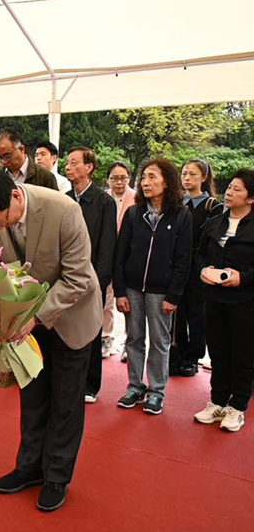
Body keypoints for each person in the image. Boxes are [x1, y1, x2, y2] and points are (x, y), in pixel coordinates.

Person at [0, 169, 101, 512]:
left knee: (65, 401)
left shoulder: (63, 210)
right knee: (32, 395)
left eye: (2, 221)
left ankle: (56, 476)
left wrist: (36, 317)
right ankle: (29, 467)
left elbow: (78, 277)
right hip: (24, 319)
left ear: (15, 196)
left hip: (71, 315)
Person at [114, 158, 191, 415]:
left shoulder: (181, 215)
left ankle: (156, 391)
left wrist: (174, 295)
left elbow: (183, 260)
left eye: (152, 177)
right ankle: (135, 386)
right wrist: (120, 290)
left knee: (160, 341)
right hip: (132, 288)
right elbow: (120, 254)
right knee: (134, 338)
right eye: (144, 177)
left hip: (162, 292)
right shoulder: (134, 213)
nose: (145, 182)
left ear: (167, 182)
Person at [194, 169, 254, 432]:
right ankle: (217, 401)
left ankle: (237, 407)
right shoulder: (215, 221)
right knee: (217, 351)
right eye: (229, 187)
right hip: (214, 298)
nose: (229, 192)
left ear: (251, 198)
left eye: (237, 189)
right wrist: (203, 270)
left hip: (245, 301)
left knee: (243, 354)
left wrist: (243, 278)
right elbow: (199, 253)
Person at [64, 147, 117, 403]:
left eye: (74, 163)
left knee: (91, 332)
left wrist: (99, 281)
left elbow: (107, 246)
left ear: (89, 167)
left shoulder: (104, 202)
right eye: (67, 163)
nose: (68, 167)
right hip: (65, 277)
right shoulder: (64, 199)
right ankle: (68, 381)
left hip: (93, 279)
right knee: (65, 330)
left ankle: (90, 384)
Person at [172, 159, 223, 377]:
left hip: (198, 266)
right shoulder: (176, 203)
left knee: (196, 313)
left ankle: (192, 357)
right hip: (176, 265)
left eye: (193, 174)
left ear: (204, 177)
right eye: (184, 173)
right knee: (176, 311)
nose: (187, 178)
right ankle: (177, 352)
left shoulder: (213, 206)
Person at [104, 162, 136, 361]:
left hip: (129, 256)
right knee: (106, 298)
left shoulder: (137, 198)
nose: (119, 182)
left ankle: (129, 343)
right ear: (108, 179)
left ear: (129, 179)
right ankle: (106, 337)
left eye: (123, 178)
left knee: (129, 301)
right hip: (107, 255)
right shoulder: (103, 198)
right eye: (114, 178)